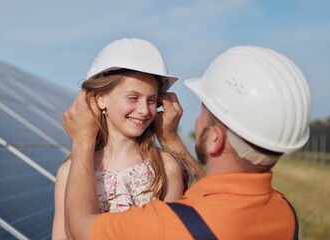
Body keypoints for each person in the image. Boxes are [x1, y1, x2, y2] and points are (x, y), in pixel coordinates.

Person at [62, 45, 310, 239]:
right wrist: (171, 138)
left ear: (215, 139)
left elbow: (79, 227)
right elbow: (218, 201)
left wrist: (83, 139)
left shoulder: (175, 224)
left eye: (205, 113)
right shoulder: (284, 212)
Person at [52, 38, 203, 240]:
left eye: (151, 100)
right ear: (101, 98)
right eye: (133, 97)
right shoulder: (69, 172)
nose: (143, 110)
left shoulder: (165, 167)